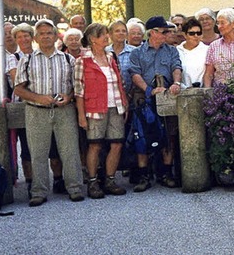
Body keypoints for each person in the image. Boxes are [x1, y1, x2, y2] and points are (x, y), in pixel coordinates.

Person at [14, 19, 84, 206]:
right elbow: (18, 89)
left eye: (49, 33)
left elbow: (76, 86)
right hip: (36, 111)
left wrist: (68, 97)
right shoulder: (26, 60)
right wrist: (38, 98)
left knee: (70, 150)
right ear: (36, 38)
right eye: (42, 33)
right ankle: (38, 191)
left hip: (64, 110)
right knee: (38, 152)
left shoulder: (68, 59)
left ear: (55, 36)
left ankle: (75, 188)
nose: (45, 36)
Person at [128, 16, 183, 191]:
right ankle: (144, 176)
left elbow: (176, 67)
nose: (168, 33)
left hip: (166, 95)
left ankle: (165, 174)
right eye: (164, 31)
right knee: (142, 135)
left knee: (169, 134)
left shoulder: (171, 50)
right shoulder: (137, 52)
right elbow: (135, 74)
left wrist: (176, 83)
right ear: (153, 33)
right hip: (145, 98)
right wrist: (148, 90)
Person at [74, 23, 128, 199]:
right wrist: (81, 115)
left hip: (116, 105)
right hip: (95, 108)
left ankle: (110, 180)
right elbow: (79, 91)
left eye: (106, 34)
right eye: (102, 35)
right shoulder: (82, 61)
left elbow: (120, 82)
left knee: (117, 143)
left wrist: (125, 103)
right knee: (95, 145)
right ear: (92, 39)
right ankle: (92, 181)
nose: (106, 37)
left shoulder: (111, 57)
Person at [6, 23, 35, 195]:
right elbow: (17, 80)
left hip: (42, 103)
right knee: (26, 144)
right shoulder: (13, 57)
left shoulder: (40, 54)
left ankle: (55, 178)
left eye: (26, 36)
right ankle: (31, 180)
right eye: (19, 37)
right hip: (23, 104)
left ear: (32, 37)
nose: (23, 39)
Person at [107, 20, 137, 97]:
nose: (121, 33)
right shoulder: (104, 52)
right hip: (109, 97)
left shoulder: (135, 52)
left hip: (131, 97)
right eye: (117, 31)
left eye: (124, 31)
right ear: (110, 34)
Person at [177, 18, 209, 88]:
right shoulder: (177, 51)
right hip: (181, 92)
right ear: (184, 35)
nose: (196, 36)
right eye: (192, 33)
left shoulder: (208, 50)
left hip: (202, 92)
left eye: (198, 33)